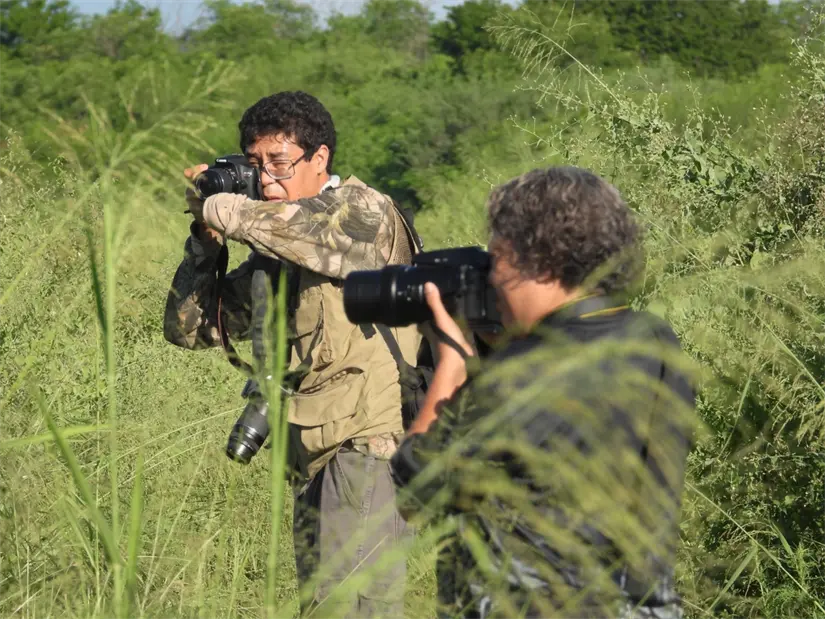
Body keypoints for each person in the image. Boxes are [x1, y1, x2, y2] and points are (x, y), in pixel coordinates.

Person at [390, 166, 697, 618]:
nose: (492, 277)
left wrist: (452, 357)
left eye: (498, 258)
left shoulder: (528, 370)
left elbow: (417, 487)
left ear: (538, 259)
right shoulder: (652, 338)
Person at [163, 90, 422, 618]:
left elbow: (303, 230)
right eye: (254, 164)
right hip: (311, 453)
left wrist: (221, 204)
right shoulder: (275, 257)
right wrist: (205, 240)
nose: (265, 179)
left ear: (319, 157)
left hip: (368, 445)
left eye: (278, 162)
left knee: (350, 608)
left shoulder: (363, 212)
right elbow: (189, 328)